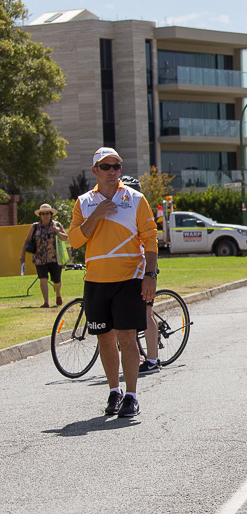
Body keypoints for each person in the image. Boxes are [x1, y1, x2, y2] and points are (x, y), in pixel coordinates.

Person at [69, 148, 158, 418]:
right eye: (105, 166)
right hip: (96, 281)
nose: (112, 171)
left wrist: (150, 275)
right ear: (95, 170)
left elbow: (150, 238)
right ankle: (113, 390)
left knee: (127, 338)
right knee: (105, 340)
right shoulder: (84, 202)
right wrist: (96, 214)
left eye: (116, 166)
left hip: (128, 279)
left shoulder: (135, 199)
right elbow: (74, 240)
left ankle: (131, 395)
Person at [119, 176, 161, 376]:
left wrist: (149, 273)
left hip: (143, 269)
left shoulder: (138, 209)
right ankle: (141, 356)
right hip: (128, 271)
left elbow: (149, 241)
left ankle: (153, 360)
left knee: (147, 313)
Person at [19, 204, 68, 308]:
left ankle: (58, 295)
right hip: (39, 258)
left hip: (54, 258)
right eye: (43, 214)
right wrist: (22, 255)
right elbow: (26, 240)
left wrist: (58, 232)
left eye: (47, 213)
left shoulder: (57, 225)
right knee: (43, 279)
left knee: (57, 280)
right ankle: (46, 302)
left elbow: (65, 238)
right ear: (40, 215)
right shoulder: (35, 226)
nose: (45, 215)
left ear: (51, 215)